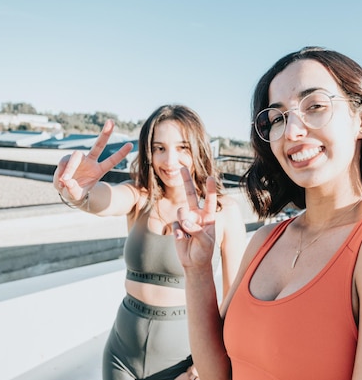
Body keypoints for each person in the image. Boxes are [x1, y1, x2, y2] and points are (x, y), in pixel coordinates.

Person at [173, 47, 362, 380]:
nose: (292, 131)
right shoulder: (266, 239)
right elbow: (219, 373)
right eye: (277, 118)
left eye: (314, 107)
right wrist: (197, 271)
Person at [53, 105, 246, 380]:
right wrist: (77, 192)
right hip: (121, 356)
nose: (170, 160)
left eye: (182, 148)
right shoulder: (140, 197)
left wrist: (203, 367)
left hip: (185, 363)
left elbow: (234, 301)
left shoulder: (223, 211)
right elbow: (104, 199)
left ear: (199, 150)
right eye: (159, 148)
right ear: (149, 153)